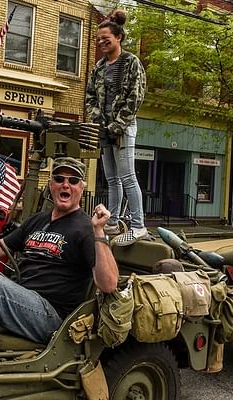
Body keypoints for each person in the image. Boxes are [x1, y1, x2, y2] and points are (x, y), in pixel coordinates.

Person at [0, 157, 119, 350]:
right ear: (51, 185)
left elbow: (109, 284)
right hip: (23, 299)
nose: (65, 184)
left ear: (81, 188)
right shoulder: (38, 220)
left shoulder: (86, 228)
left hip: (52, 316)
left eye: (73, 181)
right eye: (59, 179)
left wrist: (99, 231)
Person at [85, 9, 148, 247]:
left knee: (128, 177)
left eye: (106, 39)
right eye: (98, 39)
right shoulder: (99, 67)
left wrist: (116, 125)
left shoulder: (131, 63)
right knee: (111, 179)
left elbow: (136, 97)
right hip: (105, 129)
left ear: (118, 37)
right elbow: (90, 96)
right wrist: (99, 121)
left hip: (124, 129)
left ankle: (138, 225)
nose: (101, 42)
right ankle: (112, 221)